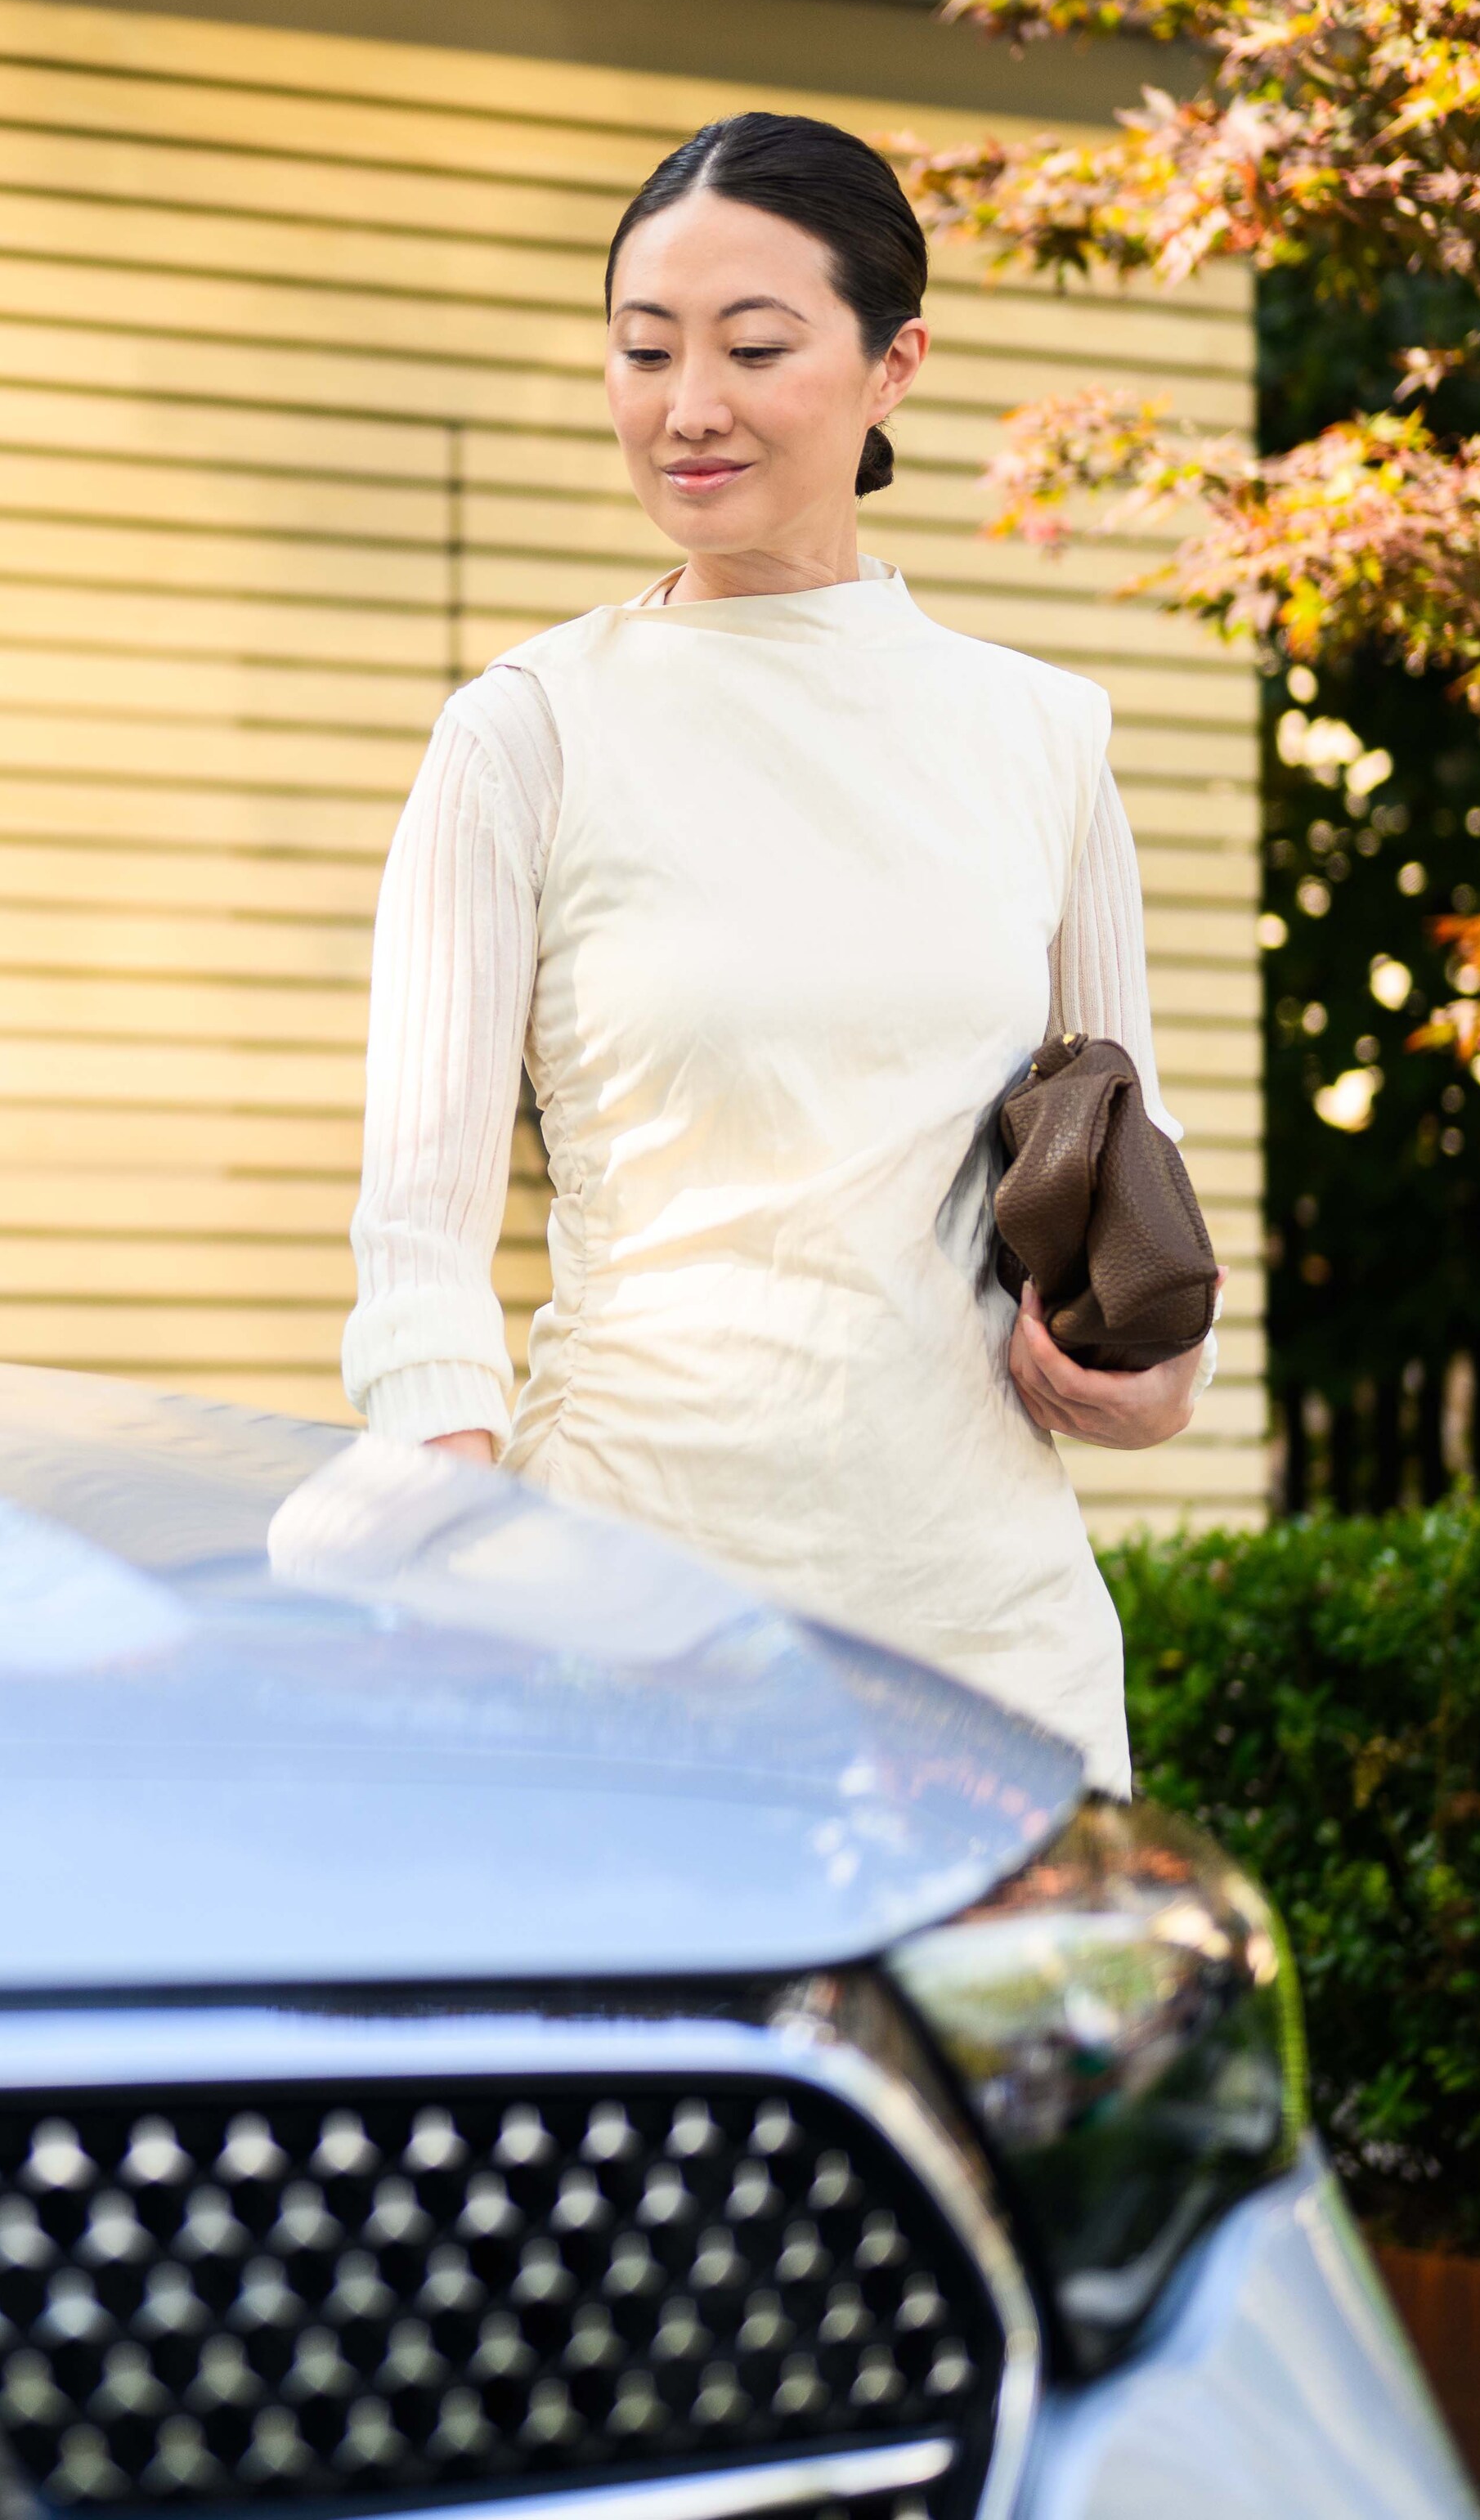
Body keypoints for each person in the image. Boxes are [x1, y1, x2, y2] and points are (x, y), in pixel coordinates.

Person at [339, 111, 1212, 1790]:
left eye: (752, 346)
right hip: (632, 1610)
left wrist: (1154, 1365)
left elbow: (1126, 1176)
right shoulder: (526, 733)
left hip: (986, 1634)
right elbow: (417, 1243)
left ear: (893, 366)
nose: (687, 406)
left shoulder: (1039, 738)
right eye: (643, 348)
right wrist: (447, 1525)